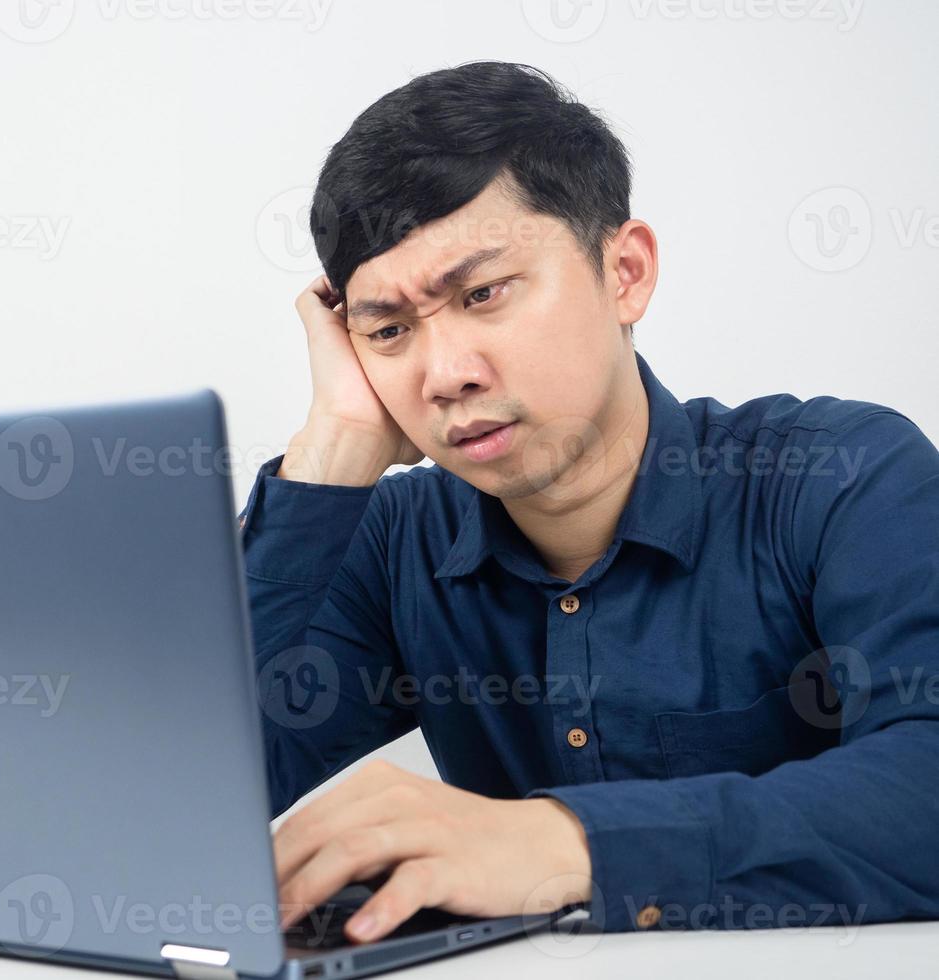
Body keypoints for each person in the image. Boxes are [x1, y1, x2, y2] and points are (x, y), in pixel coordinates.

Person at [237, 61, 939, 944]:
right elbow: (185, 791)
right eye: (388, 331)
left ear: (625, 273)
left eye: (482, 293)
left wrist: (558, 843)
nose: (446, 373)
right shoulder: (391, 543)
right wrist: (331, 450)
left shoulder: (840, 477)